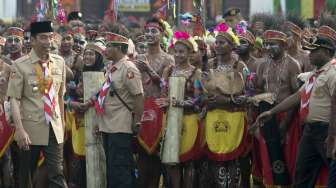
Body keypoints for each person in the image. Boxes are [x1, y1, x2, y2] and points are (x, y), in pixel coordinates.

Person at [257, 25, 336, 188]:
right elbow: (297, 96)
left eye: (314, 51)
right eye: (309, 51)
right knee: (301, 176)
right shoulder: (315, 74)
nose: (310, 55)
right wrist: (272, 111)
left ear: (327, 52)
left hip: (326, 131)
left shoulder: (332, 74)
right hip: (310, 131)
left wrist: (332, 136)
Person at [6, 20, 68, 188]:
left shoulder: (59, 62)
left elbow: (60, 97)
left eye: (50, 37)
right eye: (43, 37)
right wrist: (19, 130)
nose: (48, 41)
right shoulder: (20, 65)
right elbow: (14, 100)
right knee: (26, 175)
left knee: (57, 173)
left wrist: (62, 124)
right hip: (29, 130)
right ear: (32, 40)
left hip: (54, 129)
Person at [87, 32, 144, 188]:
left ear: (119, 48)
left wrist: (138, 121)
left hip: (121, 126)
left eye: (109, 46)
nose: (106, 49)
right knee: (113, 170)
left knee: (121, 170)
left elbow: (138, 96)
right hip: (108, 126)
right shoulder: (112, 68)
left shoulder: (128, 68)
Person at [202, 22, 249, 187]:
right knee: (216, 159)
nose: (218, 45)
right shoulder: (209, 65)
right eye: (216, 42)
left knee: (233, 160)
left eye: (222, 42)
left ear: (232, 45)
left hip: (234, 117)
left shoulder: (240, 66)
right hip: (214, 116)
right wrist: (205, 100)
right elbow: (203, 91)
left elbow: (248, 94)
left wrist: (228, 101)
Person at [157, 31, 205, 188]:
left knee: (188, 161)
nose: (178, 55)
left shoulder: (196, 73)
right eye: (176, 51)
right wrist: (165, 102)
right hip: (170, 118)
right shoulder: (168, 70)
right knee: (173, 160)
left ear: (190, 53)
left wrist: (179, 103)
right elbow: (163, 92)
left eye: (182, 52)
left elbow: (198, 100)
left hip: (189, 120)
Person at [135, 17, 174, 188]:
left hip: (160, 111)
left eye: (154, 31)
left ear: (162, 33)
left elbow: (167, 85)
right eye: (147, 31)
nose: (149, 34)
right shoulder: (139, 57)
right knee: (142, 158)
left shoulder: (168, 59)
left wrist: (149, 70)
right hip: (142, 109)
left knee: (157, 157)